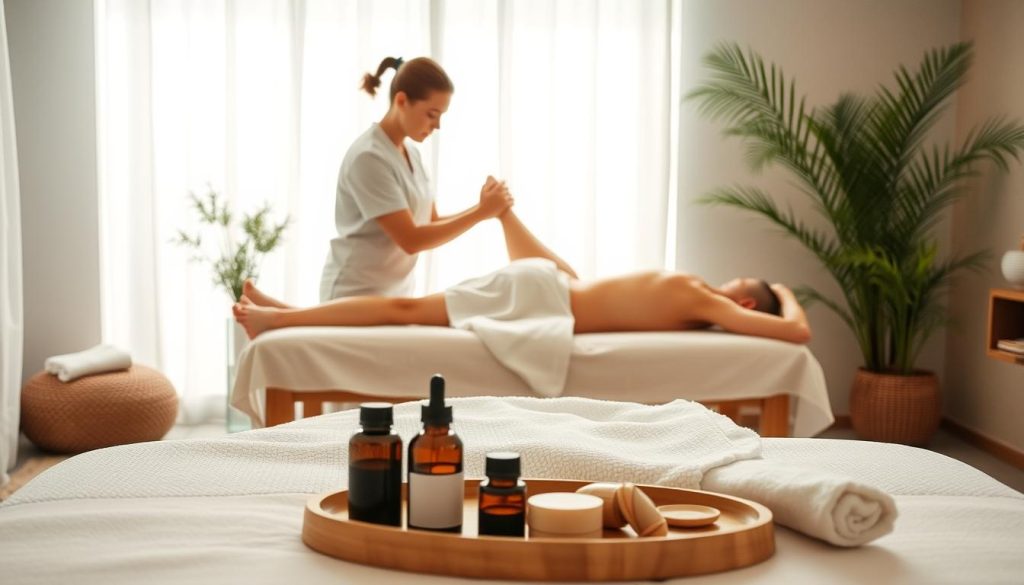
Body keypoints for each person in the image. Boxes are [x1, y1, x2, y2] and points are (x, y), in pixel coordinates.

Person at [239, 210, 811, 345]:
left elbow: (797, 333)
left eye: (742, 284)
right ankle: (283, 314)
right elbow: (581, 283)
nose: (731, 281)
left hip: (544, 298)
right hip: (548, 287)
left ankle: (282, 318)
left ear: (747, 305)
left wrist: (784, 293)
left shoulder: (709, 305)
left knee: (404, 311)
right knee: (405, 310)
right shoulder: (698, 295)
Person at [321, 55, 513, 301]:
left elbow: (430, 221)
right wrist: (481, 212)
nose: (437, 125)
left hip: (395, 294)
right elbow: (411, 239)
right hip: (353, 292)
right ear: (401, 101)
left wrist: (483, 208)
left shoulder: (411, 153)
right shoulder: (368, 157)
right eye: (432, 114)